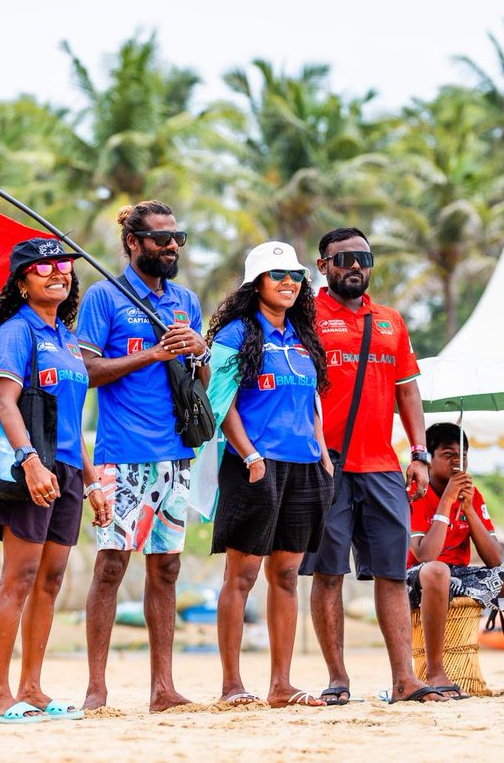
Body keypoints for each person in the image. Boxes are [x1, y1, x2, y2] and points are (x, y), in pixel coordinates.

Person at [299, 227, 444, 705]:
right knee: (328, 573)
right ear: (323, 267)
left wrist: (420, 454)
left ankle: (405, 678)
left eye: (363, 257)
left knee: (391, 573)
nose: (355, 267)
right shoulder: (304, 318)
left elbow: (408, 392)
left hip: (382, 465)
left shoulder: (390, 321)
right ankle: (337, 678)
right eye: (343, 259)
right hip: (326, 465)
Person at [75, 200, 207, 712]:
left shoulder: (186, 301)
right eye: (160, 239)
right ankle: (96, 687)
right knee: (111, 565)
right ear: (133, 242)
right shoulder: (104, 298)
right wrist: (152, 354)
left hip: (175, 454)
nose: (172, 246)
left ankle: (163, 688)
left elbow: (200, 384)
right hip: (121, 453)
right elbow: (86, 369)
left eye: (178, 238)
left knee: (167, 569)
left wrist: (198, 351)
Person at [205, 241, 335, 707]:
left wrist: (322, 455)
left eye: (295, 276)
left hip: (304, 468)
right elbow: (222, 404)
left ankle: (281, 685)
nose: (288, 283)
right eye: (277, 275)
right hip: (253, 466)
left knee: (286, 574)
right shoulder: (236, 335)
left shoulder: (303, 337)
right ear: (255, 282)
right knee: (241, 575)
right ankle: (232, 685)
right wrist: (249, 455)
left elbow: (312, 404)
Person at [0, 238, 98, 724]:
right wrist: (29, 461)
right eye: (44, 267)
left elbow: (73, 417)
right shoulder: (16, 331)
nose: (59, 273)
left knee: (50, 580)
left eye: (65, 266)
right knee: (20, 577)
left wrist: (91, 482)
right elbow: (6, 402)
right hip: (32, 467)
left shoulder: (68, 339)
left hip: (69, 471)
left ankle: (32, 687)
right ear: (22, 281)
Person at [406, 423, 504, 697]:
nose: (456, 460)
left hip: (460, 574)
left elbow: (496, 559)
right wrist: (447, 501)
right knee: (437, 570)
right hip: (417, 576)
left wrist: (469, 509)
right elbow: (425, 556)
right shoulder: (416, 492)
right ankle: (436, 671)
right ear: (429, 459)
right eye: (448, 454)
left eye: (462, 455)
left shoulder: (473, 494)